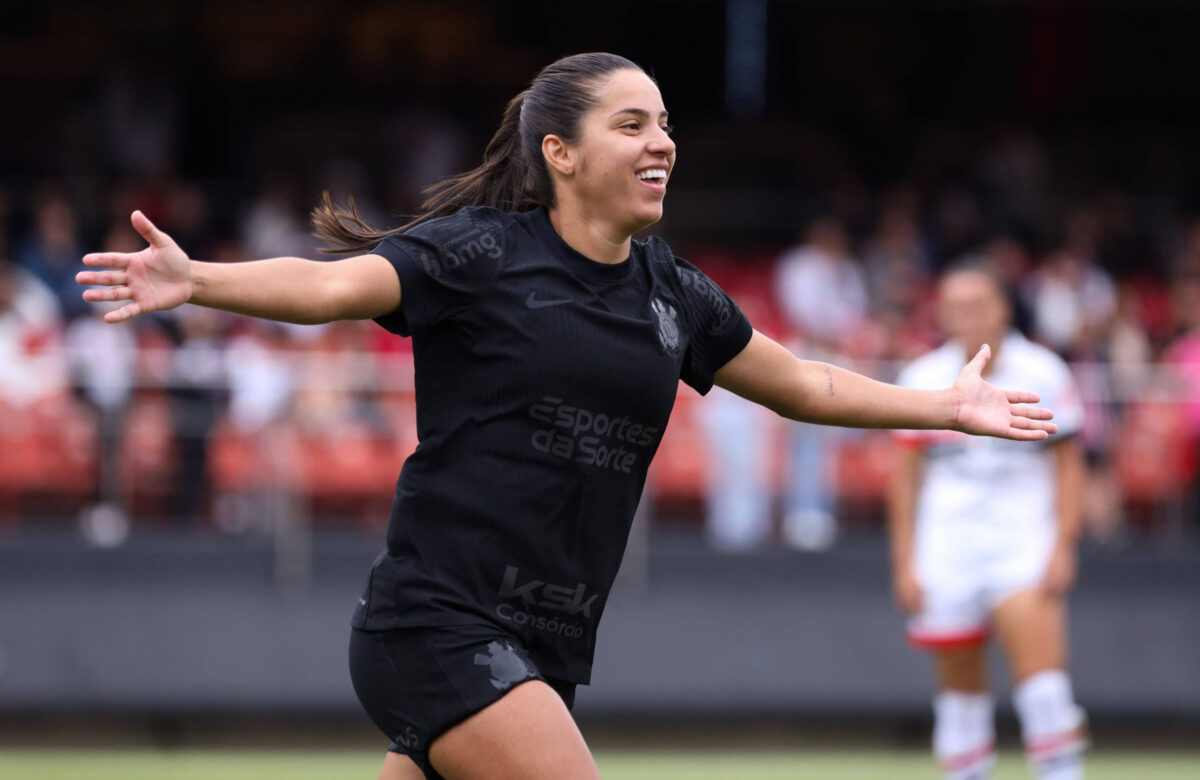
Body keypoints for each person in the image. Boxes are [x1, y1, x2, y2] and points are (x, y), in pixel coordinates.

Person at [78, 53, 1056, 780]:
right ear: (562, 153)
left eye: (665, 123)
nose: (661, 141)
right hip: (436, 623)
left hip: (546, 644)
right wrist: (198, 278)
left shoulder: (673, 292)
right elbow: (332, 287)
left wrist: (944, 405)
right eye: (631, 125)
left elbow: (805, 384)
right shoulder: (483, 255)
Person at [888, 264, 1087, 780]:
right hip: (947, 550)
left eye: (977, 304)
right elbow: (905, 480)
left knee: (1044, 690)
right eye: (954, 306)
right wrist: (905, 562)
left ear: (1003, 306)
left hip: (1023, 545)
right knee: (959, 697)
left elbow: (1069, 466)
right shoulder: (922, 377)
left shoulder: (1043, 371)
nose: (966, 316)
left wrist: (1064, 543)